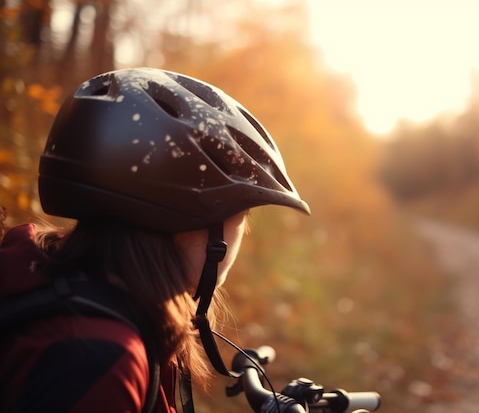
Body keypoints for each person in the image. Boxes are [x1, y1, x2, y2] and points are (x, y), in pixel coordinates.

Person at [0, 67, 310, 413]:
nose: (243, 233)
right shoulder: (100, 359)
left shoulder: (45, 281)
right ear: (191, 217)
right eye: (243, 215)